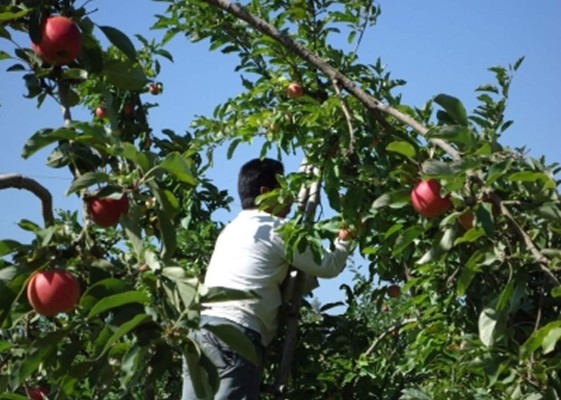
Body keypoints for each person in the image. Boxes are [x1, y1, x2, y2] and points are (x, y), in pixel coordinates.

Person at [181, 158, 352, 400]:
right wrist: (345, 239)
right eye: (283, 187)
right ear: (266, 193)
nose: (291, 197)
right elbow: (329, 265)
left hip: (200, 331)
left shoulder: (231, 229)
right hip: (236, 333)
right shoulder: (276, 229)